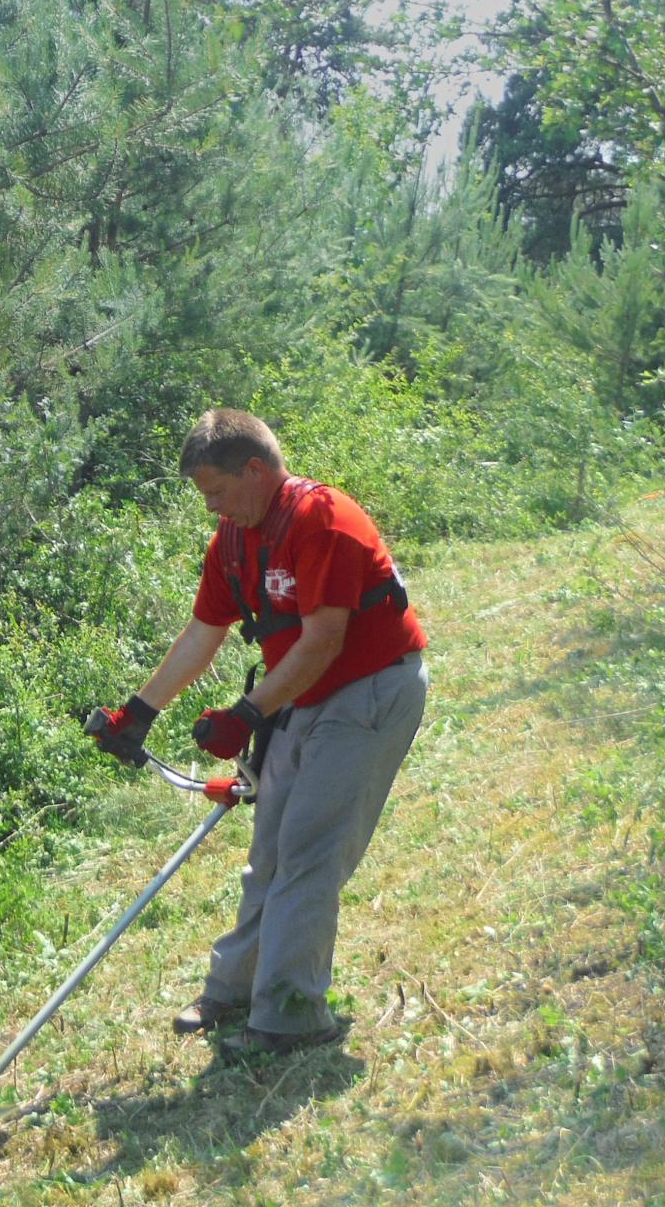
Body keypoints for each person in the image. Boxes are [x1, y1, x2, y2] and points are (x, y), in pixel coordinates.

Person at [90, 408, 428, 1055]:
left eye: (217, 490)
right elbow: (202, 635)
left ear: (255, 469)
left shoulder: (321, 521)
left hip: (370, 690)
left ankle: (290, 1015)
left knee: (309, 849)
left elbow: (324, 641)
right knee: (269, 850)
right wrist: (141, 710)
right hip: (301, 698)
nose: (212, 507)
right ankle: (235, 990)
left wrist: (247, 714)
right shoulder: (235, 541)